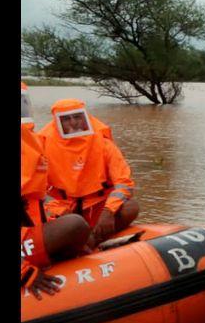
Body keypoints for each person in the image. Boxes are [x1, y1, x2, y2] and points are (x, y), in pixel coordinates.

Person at [39, 99, 141, 249]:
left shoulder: (104, 144)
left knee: (131, 207)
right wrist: (62, 212)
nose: (73, 123)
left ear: (85, 117)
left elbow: (124, 183)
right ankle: (84, 243)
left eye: (77, 117)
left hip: (97, 208)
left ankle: (91, 240)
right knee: (66, 224)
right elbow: (38, 191)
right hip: (62, 209)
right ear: (56, 122)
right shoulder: (42, 146)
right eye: (66, 119)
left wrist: (108, 211)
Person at [21, 85, 89, 298]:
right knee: (75, 225)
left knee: (73, 223)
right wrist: (24, 272)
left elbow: (35, 199)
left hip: (29, 230)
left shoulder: (30, 142)